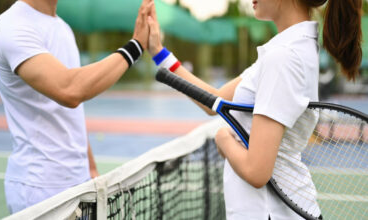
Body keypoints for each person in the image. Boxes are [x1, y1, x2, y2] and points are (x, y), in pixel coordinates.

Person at [147, 0, 362, 219]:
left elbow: (256, 171)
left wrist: (223, 140)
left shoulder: (283, 57)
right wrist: (158, 52)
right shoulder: (286, 50)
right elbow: (216, 100)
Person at [0, 0, 154, 214]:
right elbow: (69, 89)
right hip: (40, 189)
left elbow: (70, 112)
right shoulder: (12, 26)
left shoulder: (62, 28)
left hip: (79, 184)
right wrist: (136, 46)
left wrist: (90, 167)